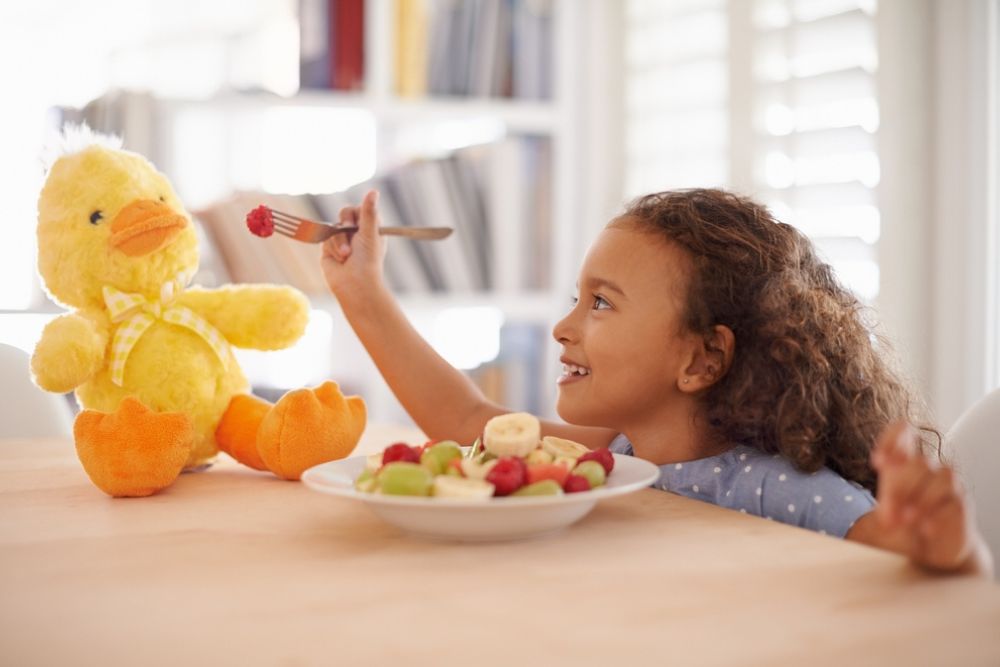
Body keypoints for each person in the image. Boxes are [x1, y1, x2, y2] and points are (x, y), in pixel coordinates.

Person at [321, 187, 993, 577]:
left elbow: (906, 560)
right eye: (576, 298)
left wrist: (944, 546)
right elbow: (470, 419)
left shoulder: (775, 488)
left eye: (601, 303)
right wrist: (362, 292)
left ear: (701, 359)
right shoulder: (611, 454)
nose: (563, 326)